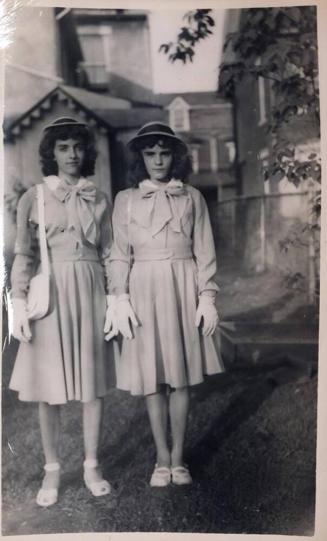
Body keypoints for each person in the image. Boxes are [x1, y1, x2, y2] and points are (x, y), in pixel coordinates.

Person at [109, 122, 224, 487]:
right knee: (153, 378)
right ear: (141, 158)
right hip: (143, 287)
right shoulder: (125, 200)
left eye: (164, 152)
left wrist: (207, 296)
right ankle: (161, 459)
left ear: (175, 156)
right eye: (150, 153)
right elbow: (118, 255)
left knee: (180, 376)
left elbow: (204, 249)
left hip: (182, 285)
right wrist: (119, 297)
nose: (158, 160)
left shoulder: (191, 197)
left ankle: (179, 459)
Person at [9, 117, 116, 507]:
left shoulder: (98, 197)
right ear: (51, 153)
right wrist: (17, 301)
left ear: (87, 152)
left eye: (78, 147)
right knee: (48, 389)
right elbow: (24, 253)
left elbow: (109, 252)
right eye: (63, 148)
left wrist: (117, 296)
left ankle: (91, 465)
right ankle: (52, 469)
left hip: (90, 289)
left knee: (91, 385)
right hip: (51, 292)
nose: (72, 155)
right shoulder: (33, 198)